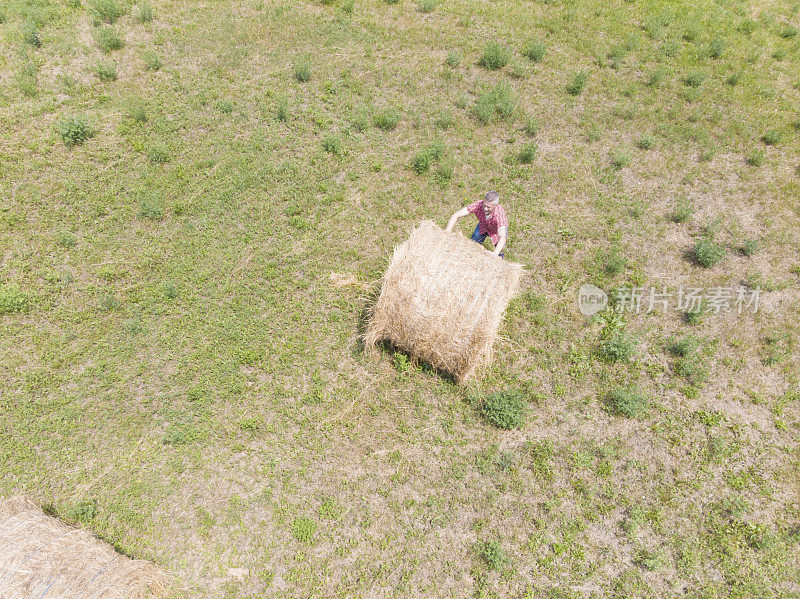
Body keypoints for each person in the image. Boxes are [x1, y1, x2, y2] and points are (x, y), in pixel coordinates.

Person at [445, 191, 508, 258]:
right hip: (483, 225)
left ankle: (500, 257)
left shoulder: (499, 215)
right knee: (473, 244)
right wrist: (447, 232)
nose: (485, 209)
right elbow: (456, 214)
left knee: (500, 248)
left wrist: (494, 253)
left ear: (495, 206)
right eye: (484, 205)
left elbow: (502, 237)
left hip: (495, 230)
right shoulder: (478, 204)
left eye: (488, 207)